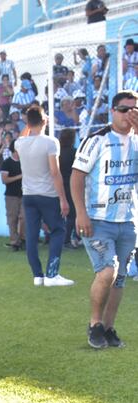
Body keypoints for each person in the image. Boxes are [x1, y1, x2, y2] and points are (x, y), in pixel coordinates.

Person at [70, 90, 138, 348]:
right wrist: (80, 213)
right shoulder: (97, 140)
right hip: (98, 220)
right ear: (112, 111)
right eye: (124, 110)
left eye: (135, 110)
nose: (129, 115)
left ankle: (109, 328)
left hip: (129, 221)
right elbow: (76, 176)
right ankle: (95, 324)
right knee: (108, 270)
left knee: (119, 277)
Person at [13, 106, 74, 287]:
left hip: (29, 195)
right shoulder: (50, 142)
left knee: (32, 236)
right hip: (47, 195)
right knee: (58, 230)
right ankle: (52, 274)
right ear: (45, 120)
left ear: (27, 122)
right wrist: (63, 199)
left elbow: (23, 137)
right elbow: (55, 173)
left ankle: (37, 276)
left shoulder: (19, 143)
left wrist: (29, 124)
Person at [0, 141, 25, 250]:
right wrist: (20, 176)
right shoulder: (7, 163)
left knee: (24, 217)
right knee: (12, 218)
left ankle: (23, 239)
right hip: (11, 195)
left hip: (25, 194)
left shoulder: (25, 161)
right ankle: (15, 241)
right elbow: (4, 180)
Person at [58, 128, 80, 249]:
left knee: (59, 214)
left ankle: (59, 238)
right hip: (71, 185)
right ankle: (68, 239)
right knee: (72, 214)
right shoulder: (74, 153)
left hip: (57, 185)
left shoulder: (57, 153)